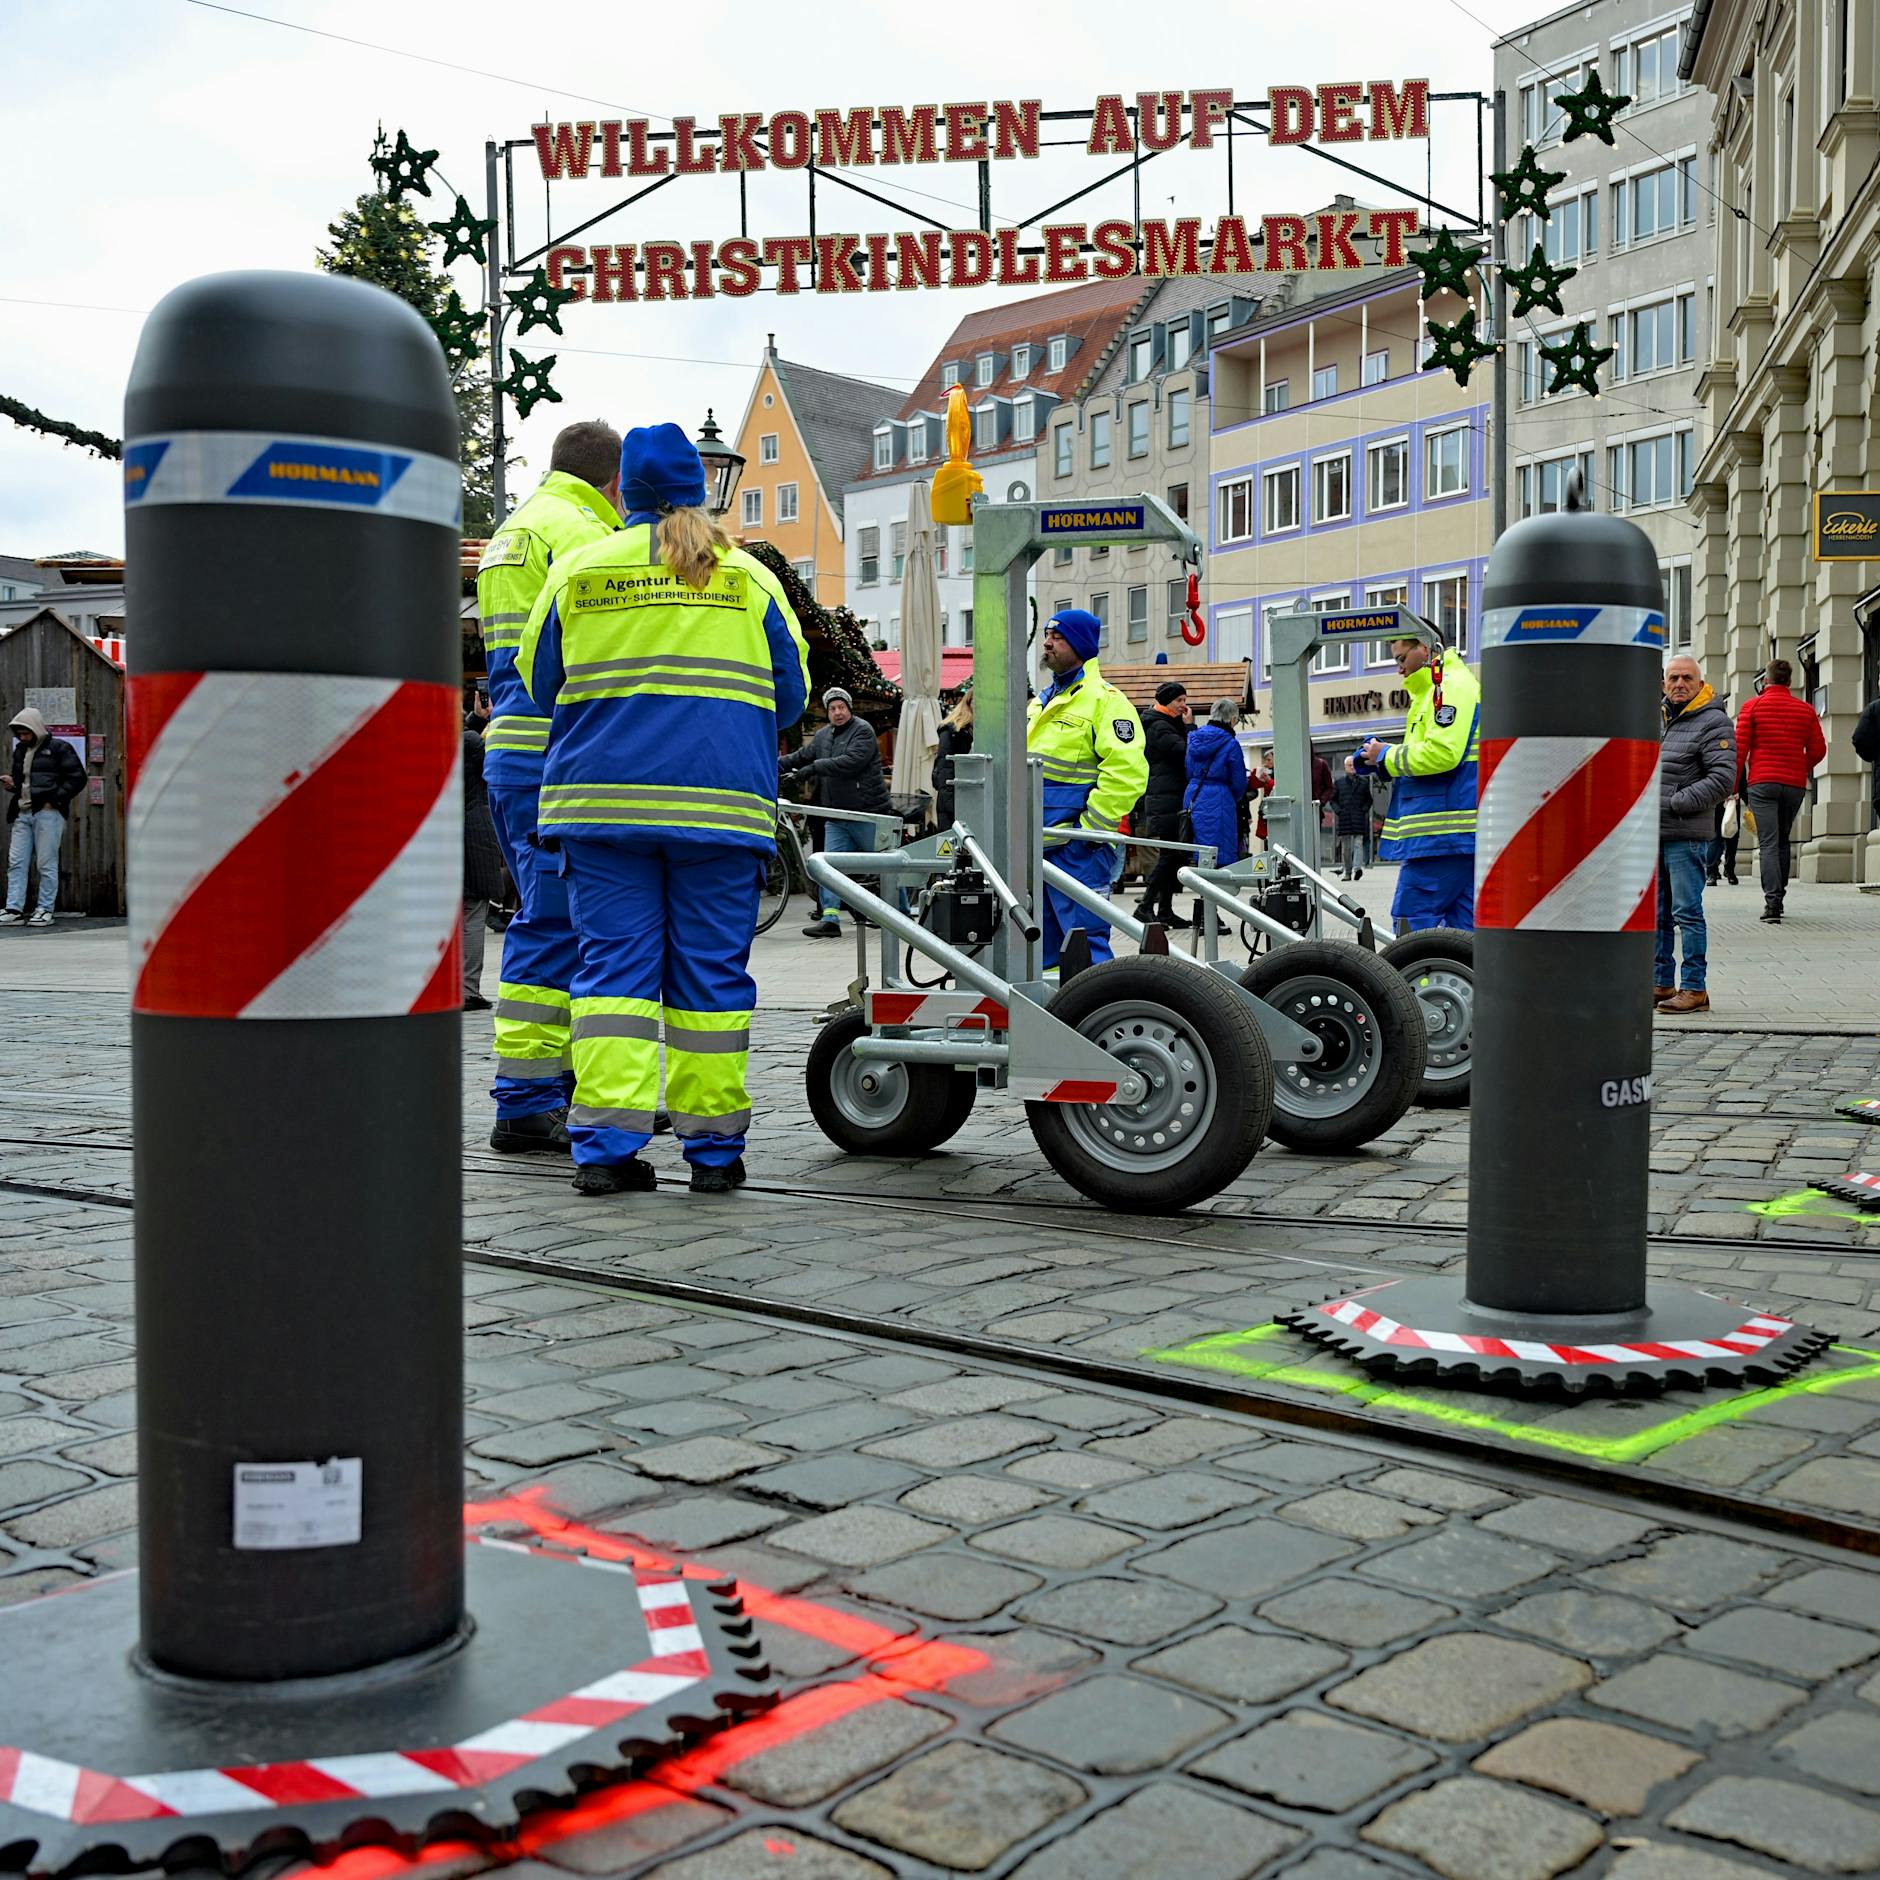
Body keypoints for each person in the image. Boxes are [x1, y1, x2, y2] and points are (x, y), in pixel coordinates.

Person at [518, 423, 809, 1196]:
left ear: (624, 490)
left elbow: (540, 685)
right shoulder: (750, 578)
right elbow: (793, 699)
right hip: (720, 812)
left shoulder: (579, 569)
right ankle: (713, 1155)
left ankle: (606, 1152)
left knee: (611, 979)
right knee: (710, 980)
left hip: (602, 811)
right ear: (701, 490)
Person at [477, 419, 625, 1155]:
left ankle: (560, 1086)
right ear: (614, 480)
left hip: (512, 749)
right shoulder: (581, 536)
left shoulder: (513, 532)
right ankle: (527, 1101)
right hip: (558, 756)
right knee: (555, 923)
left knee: (552, 916)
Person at [1028, 607, 1147, 968]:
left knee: (1085, 946)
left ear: (1079, 644)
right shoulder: (1039, 702)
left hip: (1077, 850)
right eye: (1047, 635)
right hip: (1038, 848)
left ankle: (1094, 1020)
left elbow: (1127, 772)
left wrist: (1089, 831)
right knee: (1043, 952)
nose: (1047, 642)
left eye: (1058, 636)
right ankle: (1053, 1020)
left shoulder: (1106, 701)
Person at [1348, 631, 1480, 933]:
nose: (1399, 668)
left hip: (1442, 835)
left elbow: (1443, 754)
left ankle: (1415, 982)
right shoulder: (1440, 689)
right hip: (1453, 833)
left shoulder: (1447, 688)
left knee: (1413, 920)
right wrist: (1379, 759)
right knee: (1463, 928)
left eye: (1401, 658)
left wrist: (1386, 755)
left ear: (1424, 648)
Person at [1656, 655, 1736, 1014]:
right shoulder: (1659, 718)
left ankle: (1694, 988)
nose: (1679, 684)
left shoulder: (1713, 721)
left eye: (1687, 678)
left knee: (1687, 912)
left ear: (1700, 683)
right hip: (1653, 833)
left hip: (1685, 832)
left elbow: (1721, 779)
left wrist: (1676, 802)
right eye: (1673, 678)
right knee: (1657, 914)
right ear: (1664, 683)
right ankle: (1661, 982)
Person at [780, 687, 892, 937]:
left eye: (841, 707)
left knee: (888, 866)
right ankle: (830, 919)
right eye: (832, 708)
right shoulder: (822, 736)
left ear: (849, 709)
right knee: (829, 866)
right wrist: (773, 764)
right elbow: (800, 756)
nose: (837, 712)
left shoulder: (862, 730)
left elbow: (851, 761)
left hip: (866, 812)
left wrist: (812, 769)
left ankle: (902, 914)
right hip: (837, 814)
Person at [1735, 658, 1827, 923]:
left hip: (1762, 783)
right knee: (1783, 839)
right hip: (1794, 784)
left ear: (1766, 680)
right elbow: (1819, 750)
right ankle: (1780, 897)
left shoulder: (1752, 707)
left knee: (1768, 843)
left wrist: (1732, 787)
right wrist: (1800, 766)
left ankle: (1772, 903)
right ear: (1789, 681)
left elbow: (1740, 751)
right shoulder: (1805, 710)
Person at [2, 708, 85, 928]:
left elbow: (78, 778)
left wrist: (54, 800)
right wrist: (13, 785)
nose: (22, 737)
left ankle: (45, 909)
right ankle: (14, 909)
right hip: (23, 811)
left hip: (48, 813)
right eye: (19, 733)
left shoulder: (59, 748)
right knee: (16, 862)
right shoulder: (20, 750)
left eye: (26, 733)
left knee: (46, 863)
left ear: (36, 729)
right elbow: (25, 783)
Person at [1132, 680, 1193, 928]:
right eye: (1179, 701)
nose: (1183, 706)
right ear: (1166, 701)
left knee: (1176, 855)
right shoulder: (1157, 725)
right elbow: (1185, 750)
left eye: (1184, 700)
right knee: (1169, 856)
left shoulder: (1168, 722)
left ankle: (1165, 910)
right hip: (1164, 798)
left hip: (1171, 797)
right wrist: (1189, 727)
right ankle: (1145, 906)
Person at [462, 686, 503, 1011]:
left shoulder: (448, 742)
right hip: (474, 839)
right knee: (473, 913)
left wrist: (476, 719)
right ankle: (467, 988)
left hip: (447, 837)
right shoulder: (473, 744)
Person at [1184, 699, 1250, 869]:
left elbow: (1188, 769)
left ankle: (1201, 885)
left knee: (1200, 844)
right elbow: (1239, 780)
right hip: (1220, 796)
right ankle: (1216, 888)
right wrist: (1232, 796)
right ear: (1233, 719)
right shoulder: (1230, 743)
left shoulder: (1193, 738)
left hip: (1194, 793)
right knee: (1221, 848)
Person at [931, 680, 974, 832]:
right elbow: (945, 768)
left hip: (965, 800)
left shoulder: (968, 731)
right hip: (954, 802)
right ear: (969, 703)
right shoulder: (953, 731)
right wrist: (953, 807)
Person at [1332, 763, 1372, 879]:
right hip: (1345, 818)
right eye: (1349, 765)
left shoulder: (1363, 782)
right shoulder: (1339, 783)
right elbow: (1333, 800)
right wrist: (1339, 811)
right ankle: (1348, 872)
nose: (1352, 767)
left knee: (1358, 844)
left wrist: (1363, 810)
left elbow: (1369, 800)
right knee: (1346, 848)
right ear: (1345, 767)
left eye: (1354, 765)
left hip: (1358, 817)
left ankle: (1357, 868)